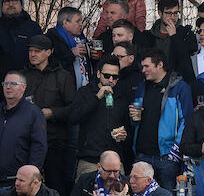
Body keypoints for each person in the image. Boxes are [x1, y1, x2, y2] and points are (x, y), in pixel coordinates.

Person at [129, 48, 193, 191]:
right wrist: (133, 117)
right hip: (142, 154)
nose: (143, 70)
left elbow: (187, 120)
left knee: (167, 193)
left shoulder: (180, 87)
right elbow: (135, 121)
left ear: (160, 65)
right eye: (142, 66)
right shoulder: (141, 86)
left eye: (147, 66)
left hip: (166, 156)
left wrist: (174, 152)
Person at [22, 35, 75, 195]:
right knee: (25, 184)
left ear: (49, 52)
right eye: (31, 51)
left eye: (37, 51)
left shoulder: (63, 76)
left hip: (55, 140)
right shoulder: (23, 75)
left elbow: (73, 108)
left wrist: (52, 113)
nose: (33, 54)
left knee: (55, 184)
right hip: (27, 141)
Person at [69, 55, 129, 176]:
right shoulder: (85, 92)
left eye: (115, 77)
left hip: (114, 159)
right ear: (98, 74)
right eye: (106, 76)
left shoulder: (122, 95)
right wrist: (96, 97)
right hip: (90, 159)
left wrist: (125, 134)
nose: (111, 80)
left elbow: (127, 124)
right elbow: (73, 117)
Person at [0, 71, 47, 194]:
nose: (8, 87)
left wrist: (28, 178)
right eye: (5, 83)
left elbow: (39, 148)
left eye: (13, 83)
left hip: (15, 184)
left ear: (23, 87)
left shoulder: (34, 113)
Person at [143, 0, 198, 78]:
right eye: (168, 13)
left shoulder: (186, 34)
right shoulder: (148, 36)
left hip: (178, 82)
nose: (173, 17)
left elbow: (186, 58)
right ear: (160, 13)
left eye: (175, 13)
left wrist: (174, 36)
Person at [0, 0, 42, 77]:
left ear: (21, 5)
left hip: (27, 79)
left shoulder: (33, 28)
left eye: (14, 1)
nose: (10, 4)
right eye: (6, 2)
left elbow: (41, 55)